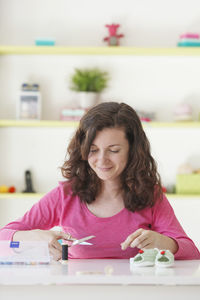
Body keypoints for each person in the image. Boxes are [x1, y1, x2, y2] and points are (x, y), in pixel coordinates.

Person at [0, 102, 199, 261]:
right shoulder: (65, 195)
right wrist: (34, 237)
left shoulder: (150, 195)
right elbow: (4, 237)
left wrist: (164, 242)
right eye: (93, 150)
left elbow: (192, 252)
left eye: (113, 150)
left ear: (133, 150)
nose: (101, 160)